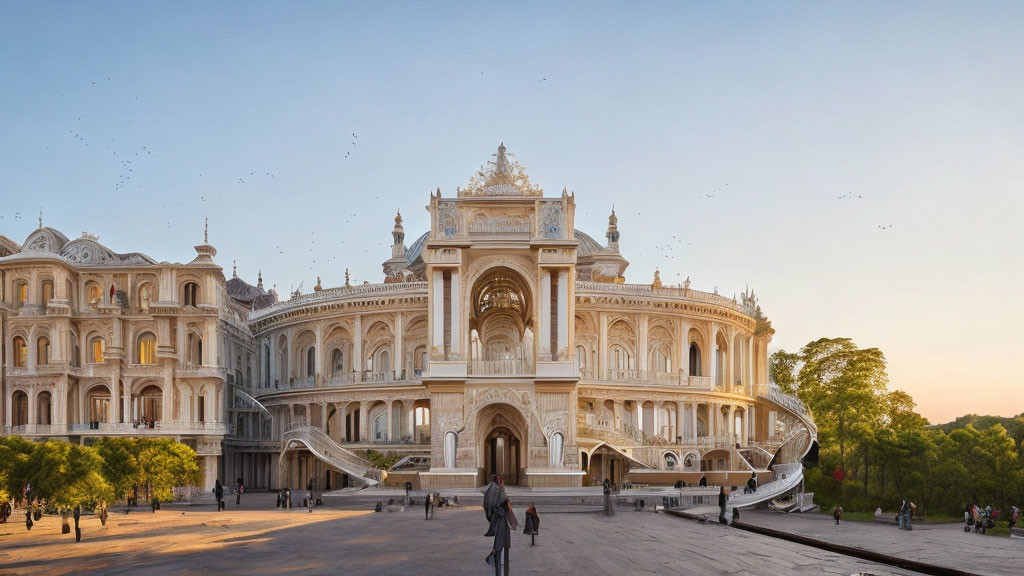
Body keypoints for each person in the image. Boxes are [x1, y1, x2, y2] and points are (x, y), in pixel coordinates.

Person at [484, 475, 514, 576]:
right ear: (500, 483)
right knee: (500, 545)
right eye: (503, 482)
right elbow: (507, 508)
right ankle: (497, 565)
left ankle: (498, 565)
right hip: (501, 521)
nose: (504, 484)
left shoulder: (492, 491)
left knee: (500, 544)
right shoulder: (500, 493)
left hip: (496, 520)